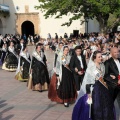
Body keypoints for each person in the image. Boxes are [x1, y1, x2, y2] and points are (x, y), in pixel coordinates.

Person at [72, 51, 115, 120]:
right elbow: (88, 81)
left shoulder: (102, 65)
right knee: (96, 106)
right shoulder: (91, 68)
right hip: (95, 89)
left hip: (103, 88)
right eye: (99, 57)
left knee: (105, 106)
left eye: (101, 56)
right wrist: (89, 93)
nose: (101, 58)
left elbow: (103, 77)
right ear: (94, 59)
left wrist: (110, 76)